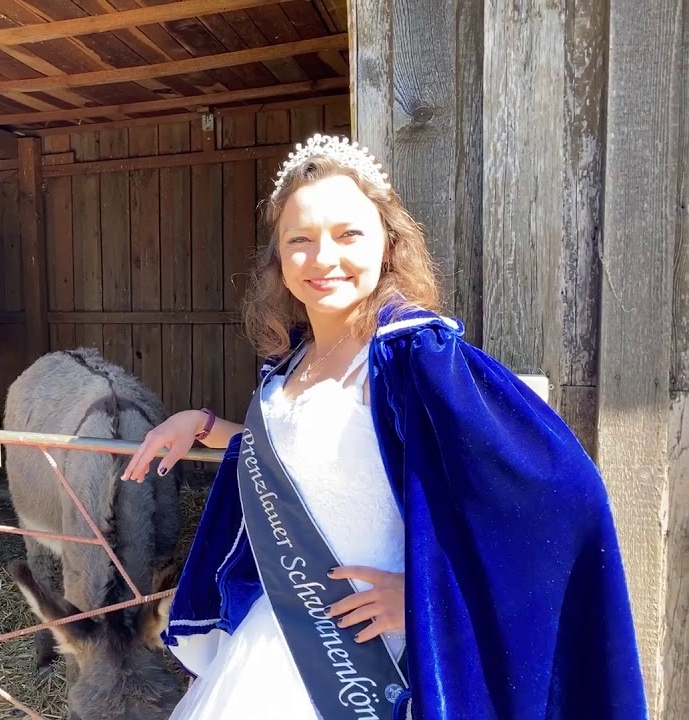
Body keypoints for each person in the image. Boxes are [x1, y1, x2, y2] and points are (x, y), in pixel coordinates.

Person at [121, 134, 646, 719]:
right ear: (278, 258)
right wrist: (207, 426)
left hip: (376, 656)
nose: (323, 258)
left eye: (348, 234)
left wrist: (426, 597)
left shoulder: (413, 352)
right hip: (283, 634)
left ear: (389, 243)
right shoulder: (291, 361)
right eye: (300, 240)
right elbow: (323, 466)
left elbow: (563, 496)